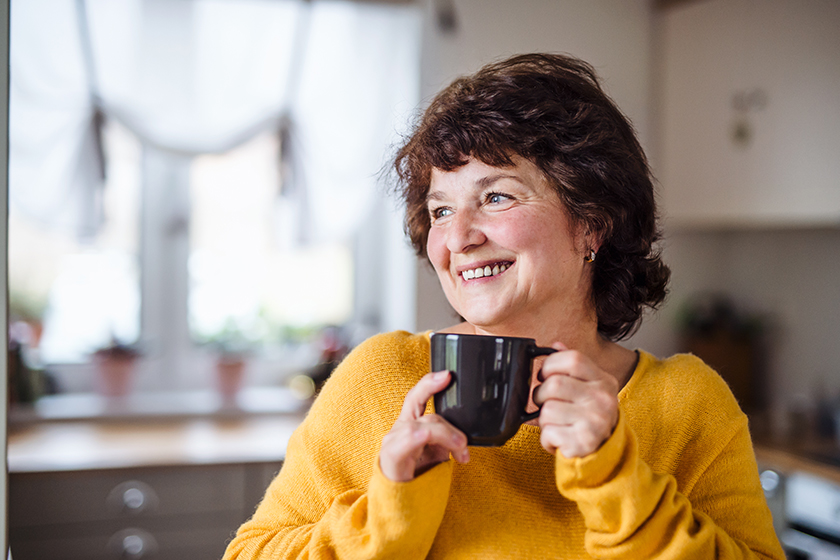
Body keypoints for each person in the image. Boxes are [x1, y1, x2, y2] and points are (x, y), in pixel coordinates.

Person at [222, 53, 784, 559]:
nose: (458, 237)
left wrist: (615, 476)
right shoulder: (381, 378)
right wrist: (387, 511)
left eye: (496, 197)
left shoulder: (687, 402)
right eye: (441, 210)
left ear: (592, 223)